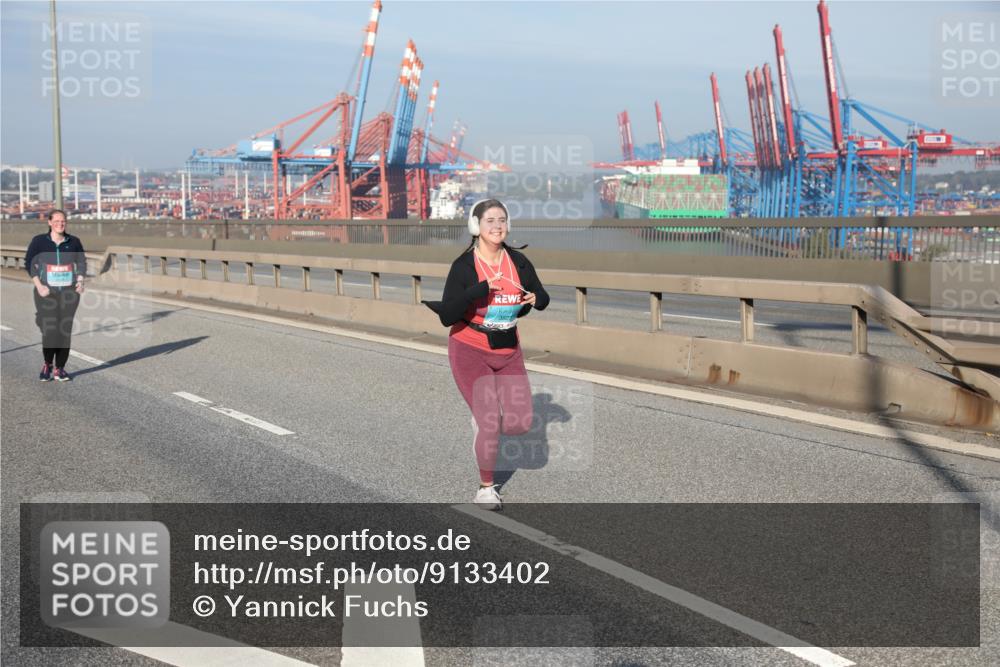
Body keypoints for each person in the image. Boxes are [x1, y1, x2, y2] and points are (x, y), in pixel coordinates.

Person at [423, 199, 550, 510]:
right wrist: (476, 290)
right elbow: (447, 315)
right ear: (476, 226)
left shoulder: (518, 262)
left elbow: (543, 297)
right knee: (490, 420)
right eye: (490, 220)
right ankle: (486, 488)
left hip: (507, 349)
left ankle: (482, 422)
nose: (497, 226)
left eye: (502, 220)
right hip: (470, 347)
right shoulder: (464, 267)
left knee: (520, 423)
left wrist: (535, 299)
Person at [25, 209, 86, 382]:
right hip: (46, 293)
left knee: (64, 330)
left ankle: (60, 368)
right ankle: (47, 364)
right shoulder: (39, 242)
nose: (61, 224)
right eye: (57, 221)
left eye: (63, 221)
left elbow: (81, 262)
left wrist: (80, 281)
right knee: (51, 330)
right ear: (50, 223)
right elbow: (29, 263)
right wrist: (39, 286)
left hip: (69, 293)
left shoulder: (73, 242)